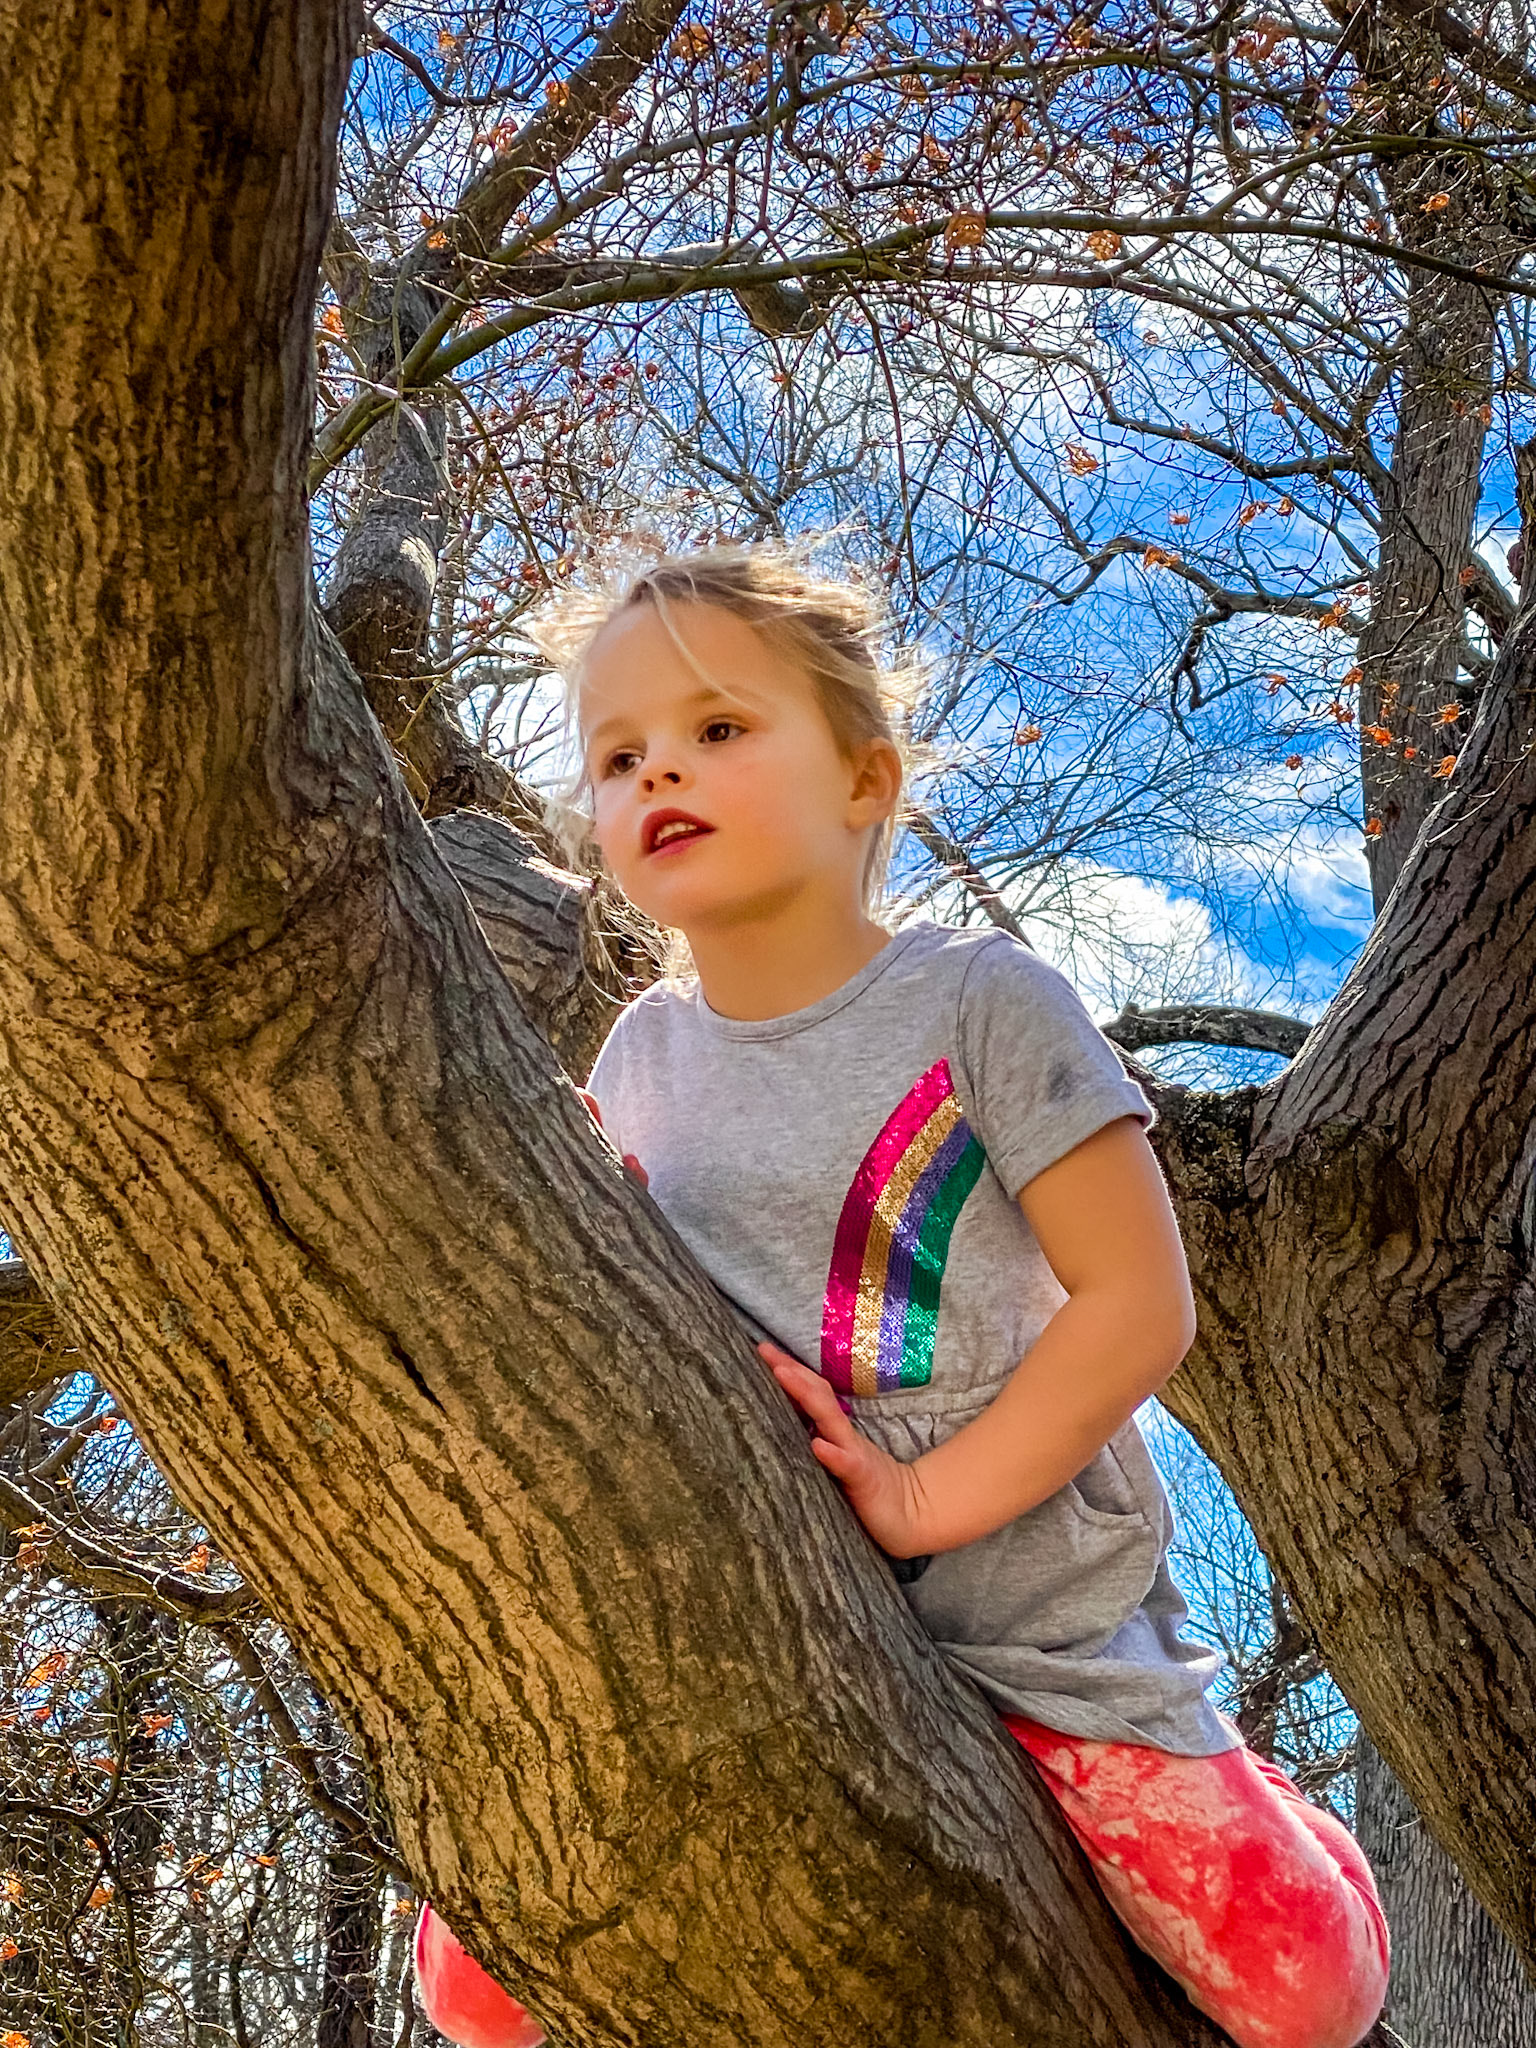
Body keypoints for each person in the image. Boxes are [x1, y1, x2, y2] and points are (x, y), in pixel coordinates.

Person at [413, 540, 1390, 2048]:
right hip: (743, 1618)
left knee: (1304, 1992)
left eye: (717, 727)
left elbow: (1139, 1304)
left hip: (1028, 1617)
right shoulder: (635, 1062)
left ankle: (1277, 1811)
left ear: (867, 778)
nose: (656, 770)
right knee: (477, 2001)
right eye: (616, 755)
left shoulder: (981, 999)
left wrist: (924, 1503)